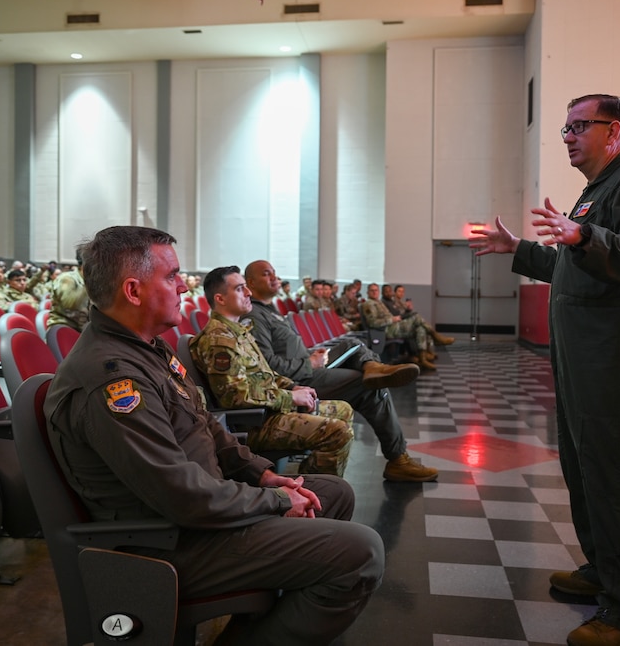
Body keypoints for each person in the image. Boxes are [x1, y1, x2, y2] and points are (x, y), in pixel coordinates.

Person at [44, 226, 384, 645]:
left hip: (201, 515)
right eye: (171, 277)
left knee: (333, 493)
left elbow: (204, 424)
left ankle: (260, 623)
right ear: (133, 291)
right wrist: (275, 502)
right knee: (361, 553)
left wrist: (264, 476)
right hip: (168, 543)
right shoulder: (113, 379)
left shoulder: (149, 349)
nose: (183, 288)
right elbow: (180, 494)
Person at [469, 94, 620, 646]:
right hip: (584, 358)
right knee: (585, 471)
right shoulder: (593, 194)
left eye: (581, 126)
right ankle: (603, 571)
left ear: (617, 132)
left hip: (613, 355)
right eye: (566, 127)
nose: (568, 135)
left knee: (617, 480)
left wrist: (585, 235)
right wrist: (521, 248)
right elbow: (571, 266)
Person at [244, 260, 438, 482]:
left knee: (351, 344)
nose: (274, 277)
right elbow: (269, 367)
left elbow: (285, 352)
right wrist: (310, 363)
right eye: (266, 274)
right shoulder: (255, 316)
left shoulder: (271, 311)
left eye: (274, 273)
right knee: (368, 385)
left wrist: (311, 354)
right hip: (299, 380)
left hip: (307, 366)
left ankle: (374, 367)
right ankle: (398, 459)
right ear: (250, 282)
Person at [190, 266, 355, 477]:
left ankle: (311, 478)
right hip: (255, 423)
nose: (249, 293)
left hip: (269, 411)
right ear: (220, 299)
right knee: (337, 433)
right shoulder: (219, 341)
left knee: (344, 410)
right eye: (240, 289)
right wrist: (290, 398)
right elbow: (236, 397)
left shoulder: (238, 332)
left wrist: (293, 386)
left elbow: (266, 374)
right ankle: (315, 490)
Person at [360, 283, 454, 371]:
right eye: (372, 290)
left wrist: (394, 318)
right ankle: (435, 336)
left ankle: (423, 358)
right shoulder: (369, 304)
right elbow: (373, 323)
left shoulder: (378, 302)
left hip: (392, 325)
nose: (374, 292)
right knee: (416, 318)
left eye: (376, 290)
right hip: (386, 329)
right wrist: (392, 319)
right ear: (368, 292)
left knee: (420, 329)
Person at [49, 263, 89, 332]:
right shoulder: (66, 279)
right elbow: (69, 304)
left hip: (83, 328)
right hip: (63, 328)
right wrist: (88, 287)